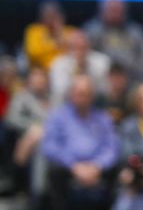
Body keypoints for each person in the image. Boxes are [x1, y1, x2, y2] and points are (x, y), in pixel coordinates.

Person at [41, 74, 120, 210]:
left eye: (87, 94)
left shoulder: (103, 118)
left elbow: (112, 147)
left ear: (93, 96)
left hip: (97, 166)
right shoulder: (58, 116)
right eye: (79, 94)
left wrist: (97, 166)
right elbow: (50, 145)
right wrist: (74, 166)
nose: (83, 98)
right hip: (68, 167)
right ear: (71, 94)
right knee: (54, 170)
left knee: (119, 169)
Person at [83, 0, 143, 80]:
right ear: (102, 11)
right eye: (111, 10)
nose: (115, 14)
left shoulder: (136, 31)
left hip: (132, 77)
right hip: (100, 78)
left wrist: (136, 75)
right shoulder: (92, 31)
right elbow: (84, 55)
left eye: (118, 10)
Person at [49, 29, 111, 105]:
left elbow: (105, 90)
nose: (80, 51)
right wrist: (75, 70)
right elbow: (59, 91)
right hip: (66, 105)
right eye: (76, 47)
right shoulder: (59, 64)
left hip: (95, 104)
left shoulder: (102, 61)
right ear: (69, 49)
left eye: (83, 47)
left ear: (89, 46)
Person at [24, 0, 78, 70]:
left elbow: (75, 53)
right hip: (41, 71)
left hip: (64, 70)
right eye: (48, 16)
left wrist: (59, 34)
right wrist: (55, 44)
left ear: (61, 16)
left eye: (53, 15)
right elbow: (33, 53)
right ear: (42, 17)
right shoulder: (34, 31)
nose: (51, 20)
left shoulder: (70, 31)